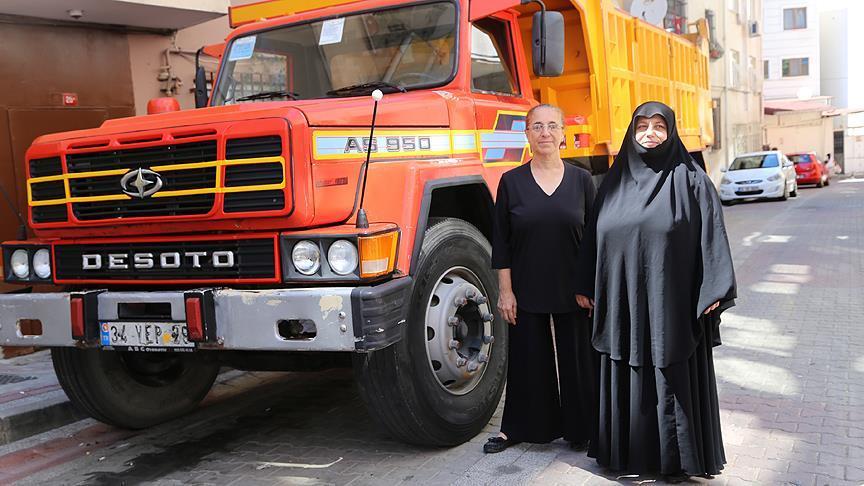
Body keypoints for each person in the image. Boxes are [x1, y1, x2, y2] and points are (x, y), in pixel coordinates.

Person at [575, 101, 737, 481]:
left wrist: (714, 287)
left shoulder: (691, 179)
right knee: (625, 369)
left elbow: (713, 235)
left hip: (672, 301)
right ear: (632, 132)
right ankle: (627, 457)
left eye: (659, 126)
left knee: (668, 372)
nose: (650, 133)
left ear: (672, 131)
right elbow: (592, 239)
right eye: (642, 126)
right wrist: (585, 284)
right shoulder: (612, 182)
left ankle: (675, 461)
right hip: (622, 301)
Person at [485, 104, 598, 454]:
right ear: (527, 135)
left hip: (574, 288)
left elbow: (596, 238)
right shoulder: (511, 182)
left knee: (579, 360)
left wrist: (590, 287)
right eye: (537, 126)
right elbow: (501, 242)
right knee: (528, 360)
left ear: (564, 133)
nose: (545, 132)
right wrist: (506, 292)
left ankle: (584, 428)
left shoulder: (582, 180)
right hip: (527, 286)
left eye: (552, 125)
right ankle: (521, 427)